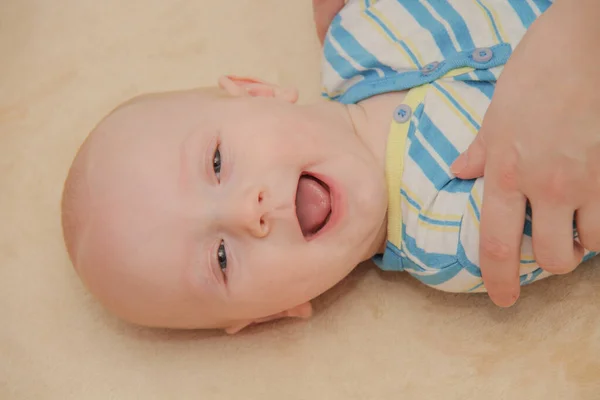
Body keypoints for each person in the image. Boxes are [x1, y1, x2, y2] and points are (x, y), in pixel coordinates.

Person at [61, 0, 598, 333]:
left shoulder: (358, 26)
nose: (250, 211)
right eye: (222, 258)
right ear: (278, 311)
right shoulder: (452, 236)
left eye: (218, 162)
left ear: (256, 92)